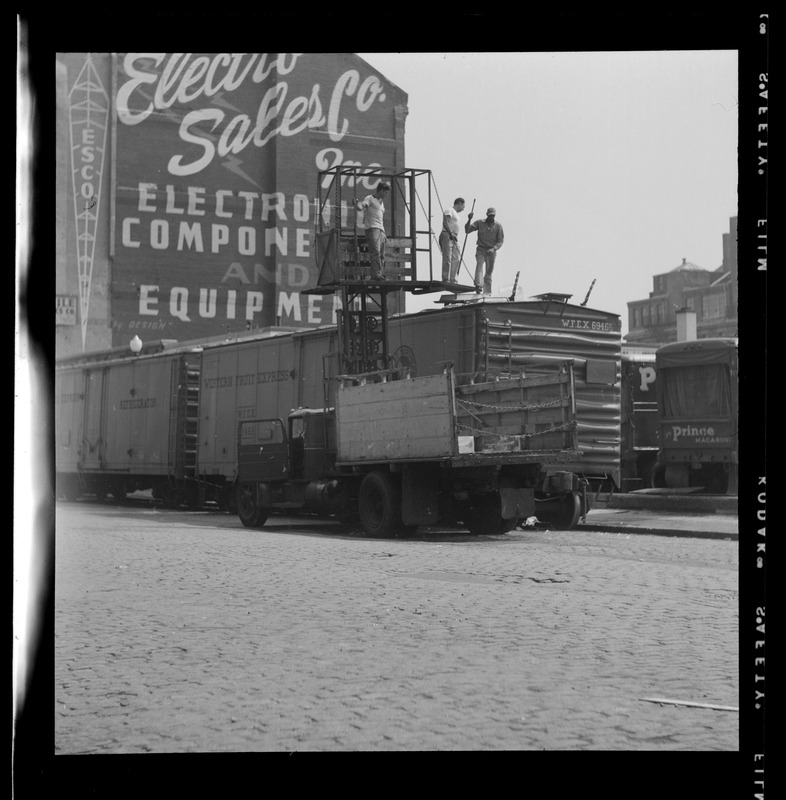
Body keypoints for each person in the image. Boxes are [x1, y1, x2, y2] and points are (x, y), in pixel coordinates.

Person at [354, 181, 391, 280]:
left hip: (381, 230)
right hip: (372, 229)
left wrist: (383, 232)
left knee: (381, 254)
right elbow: (361, 207)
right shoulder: (370, 198)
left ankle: (379, 274)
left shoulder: (381, 202)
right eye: (386, 192)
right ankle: (377, 274)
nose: (387, 195)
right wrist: (356, 205)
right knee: (375, 252)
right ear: (381, 190)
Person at [464, 207, 504, 294]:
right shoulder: (480, 223)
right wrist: (469, 219)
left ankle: (487, 293)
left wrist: (493, 249)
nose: (492, 217)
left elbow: (500, 241)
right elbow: (467, 230)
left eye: (493, 216)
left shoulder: (498, 226)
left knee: (489, 274)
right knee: (479, 265)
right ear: (487, 215)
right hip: (481, 249)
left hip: (491, 252)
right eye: (490, 216)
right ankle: (478, 286)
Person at [439, 197, 466, 283]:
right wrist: (450, 233)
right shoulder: (449, 210)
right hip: (447, 234)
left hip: (454, 236)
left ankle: (453, 278)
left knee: (456, 257)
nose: (463, 209)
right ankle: (446, 278)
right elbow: (445, 222)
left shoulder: (456, 215)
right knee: (447, 257)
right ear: (459, 203)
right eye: (463, 206)